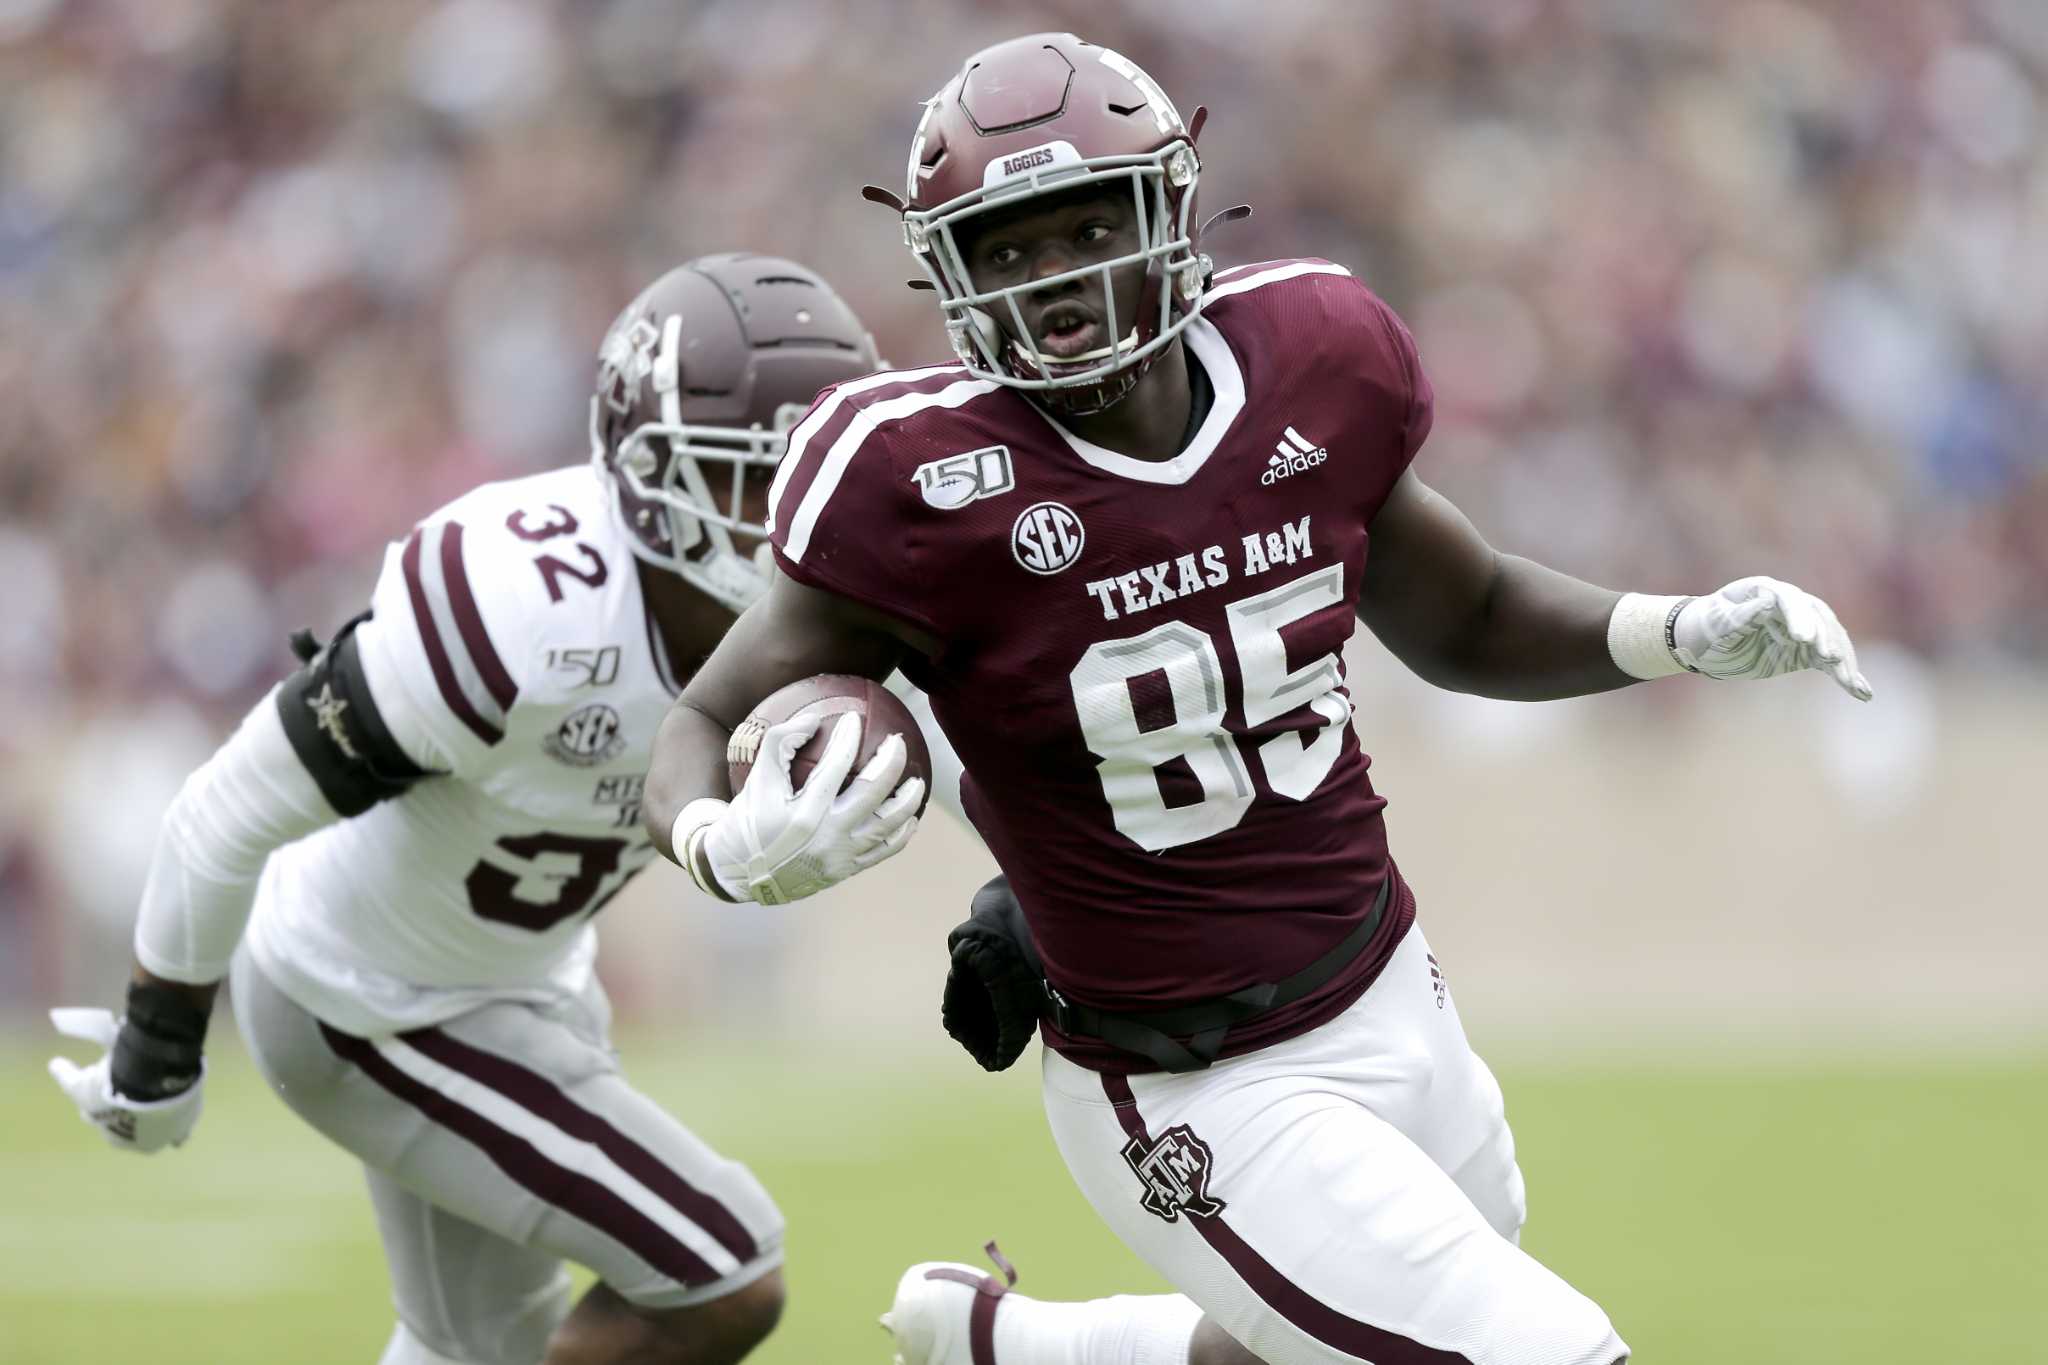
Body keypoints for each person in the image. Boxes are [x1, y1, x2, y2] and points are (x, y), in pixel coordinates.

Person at [639, 33, 1872, 1365]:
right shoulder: (916, 483)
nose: (1052, 280)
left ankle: (1022, 1349)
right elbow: (699, 725)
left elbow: (1460, 614)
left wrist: (1676, 628)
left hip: (1390, 979)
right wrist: (719, 846)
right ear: (947, 268)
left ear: (1170, 209)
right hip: (1190, 1078)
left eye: (1083, 227)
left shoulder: (1315, 357)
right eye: (1005, 248)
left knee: (1339, 1337)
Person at [46, 254, 893, 1365]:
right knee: (719, 1268)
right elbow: (231, 804)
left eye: (807, 475)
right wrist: (157, 1048)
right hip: (366, 1001)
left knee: (476, 1346)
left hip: (518, 983)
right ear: (649, 471)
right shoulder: (523, 610)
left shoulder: (836, 606)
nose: (786, 515)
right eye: (750, 476)